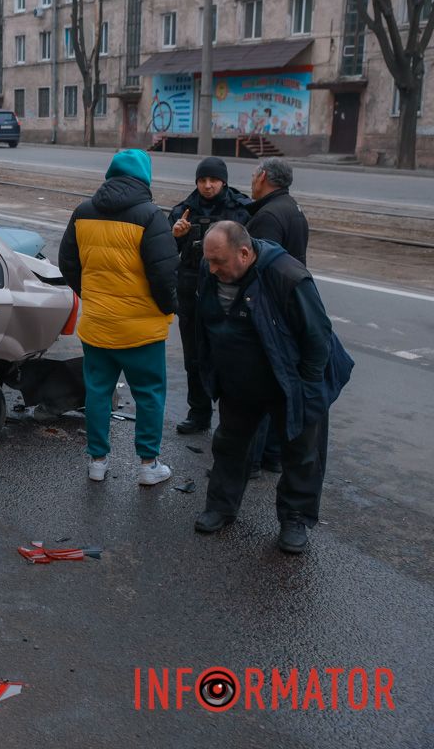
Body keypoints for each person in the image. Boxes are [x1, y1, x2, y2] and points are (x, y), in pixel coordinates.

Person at [193, 222, 352, 553]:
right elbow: (204, 323)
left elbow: (317, 340)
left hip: (290, 380)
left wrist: (307, 392)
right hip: (240, 378)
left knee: (301, 453)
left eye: (219, 261)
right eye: (209, 260)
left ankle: (295, 518)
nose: (212, 269)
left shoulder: (288, 276)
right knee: (229, 444)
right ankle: (221, 507)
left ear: (245, 253)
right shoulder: (211, 268)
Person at [58, 149, 178, 486]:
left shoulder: (83, 212)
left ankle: (97, 461)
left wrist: (93, 295)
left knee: (97, 392)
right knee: (150, 394)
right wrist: (168, 308)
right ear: (144, 178)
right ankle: (147, 464)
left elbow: (67, 263)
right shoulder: (152, 216)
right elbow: (165, 275)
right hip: (141, 329)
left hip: (97, 325)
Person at [168, 157, 252, 435]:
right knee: (194, 355)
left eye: (212, 180)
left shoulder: (240, 209)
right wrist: (176, 235)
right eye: (202, 180)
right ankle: (199, 412)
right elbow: (166, 252)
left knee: (230, 355)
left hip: (228, 291)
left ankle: (231, 419)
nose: (207, 185)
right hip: (191, 291)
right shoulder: (185, 211)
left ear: (223, 181)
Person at [245, 157, 310, 474]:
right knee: (276, 385)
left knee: (257, 388)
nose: (252, 180)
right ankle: (271, 455)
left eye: (254, 174)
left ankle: (253, 461)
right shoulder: (292, 207)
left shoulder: (268, 216)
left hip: (270, 311)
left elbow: (261, 270)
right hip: (287, 307)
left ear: (264, 177)